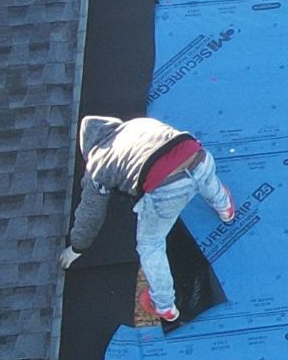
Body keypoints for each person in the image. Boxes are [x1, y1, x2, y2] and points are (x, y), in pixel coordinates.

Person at [67, 115, 238, 327]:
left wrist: (77, 247)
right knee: (204, 178)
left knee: (150, 244)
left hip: (168, 187)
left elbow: (91, 212)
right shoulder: (137, 124)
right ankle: (224, 207)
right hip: (200, 157)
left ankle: (164, 304)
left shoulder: (97, 163)